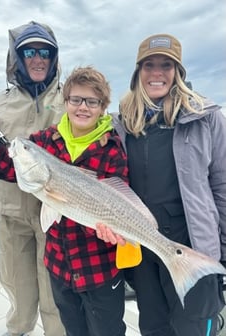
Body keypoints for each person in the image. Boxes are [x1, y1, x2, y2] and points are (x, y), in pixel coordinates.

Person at [0, 66, 129, 336]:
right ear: (66, 101)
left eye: (92, 101)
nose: (83, 107)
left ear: (103, 107)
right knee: (73, 330)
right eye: (76, 100)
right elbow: (5, 167)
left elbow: (119, 196)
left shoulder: (112, 149)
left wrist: (108, 228)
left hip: (98, 269)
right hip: (60, 267)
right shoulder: (45, 142)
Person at [96, 33, 226, 336]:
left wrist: (223, 246)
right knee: (153, 326)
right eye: (149, 65)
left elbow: (221, 184)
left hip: (194, 243)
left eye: (166, 65)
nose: (157, 73)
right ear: (137, 73)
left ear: (178, 73)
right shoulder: (123, 123)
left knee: (193, 325)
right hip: (143, 243)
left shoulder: (207, 118)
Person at [0, 21, 65, 336]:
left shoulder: (71, 101)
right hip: (11, 215)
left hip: (54, 217)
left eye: (45, 52)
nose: (38, 59)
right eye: (30, 52)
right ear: (17, 57)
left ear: (54, 58)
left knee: (54, 294)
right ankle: (17, 330)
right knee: (16, 286)